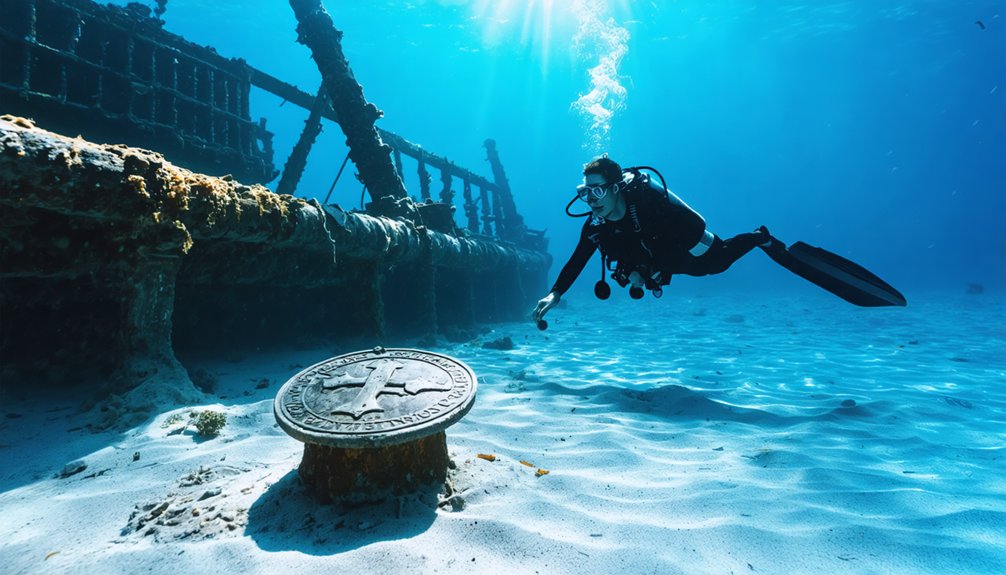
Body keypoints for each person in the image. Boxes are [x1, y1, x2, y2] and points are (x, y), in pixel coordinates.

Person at [532, 156, 905, 328]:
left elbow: (692, 227)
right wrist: (555, 294)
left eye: (596, 190)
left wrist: (654, 267)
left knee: (718, 263)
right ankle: (648, 271)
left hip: (681, 248)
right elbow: (577, 260)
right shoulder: (595, 225)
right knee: (635, 270)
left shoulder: (647, 203)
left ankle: (762, 239)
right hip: (650, 260)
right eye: (585, 191)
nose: (590, 199)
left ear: (615, 188)